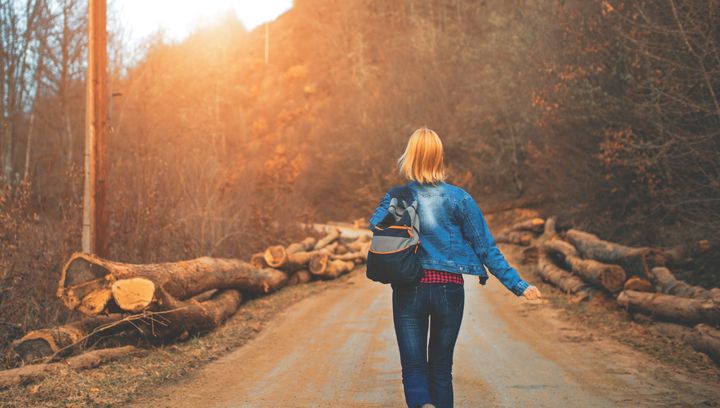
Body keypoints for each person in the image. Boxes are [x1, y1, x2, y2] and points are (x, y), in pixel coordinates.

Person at [368, 127, 542, 408]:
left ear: (409, 157)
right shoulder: (459, 198)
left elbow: (376, 225)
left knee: (413, 368)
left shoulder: (398, 196)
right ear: (439, 157)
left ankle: (422, 404)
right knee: (440, 369)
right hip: (449, 290)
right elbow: (486, 247)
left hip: (409, 288)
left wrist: (401, 206)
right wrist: (519, 285)